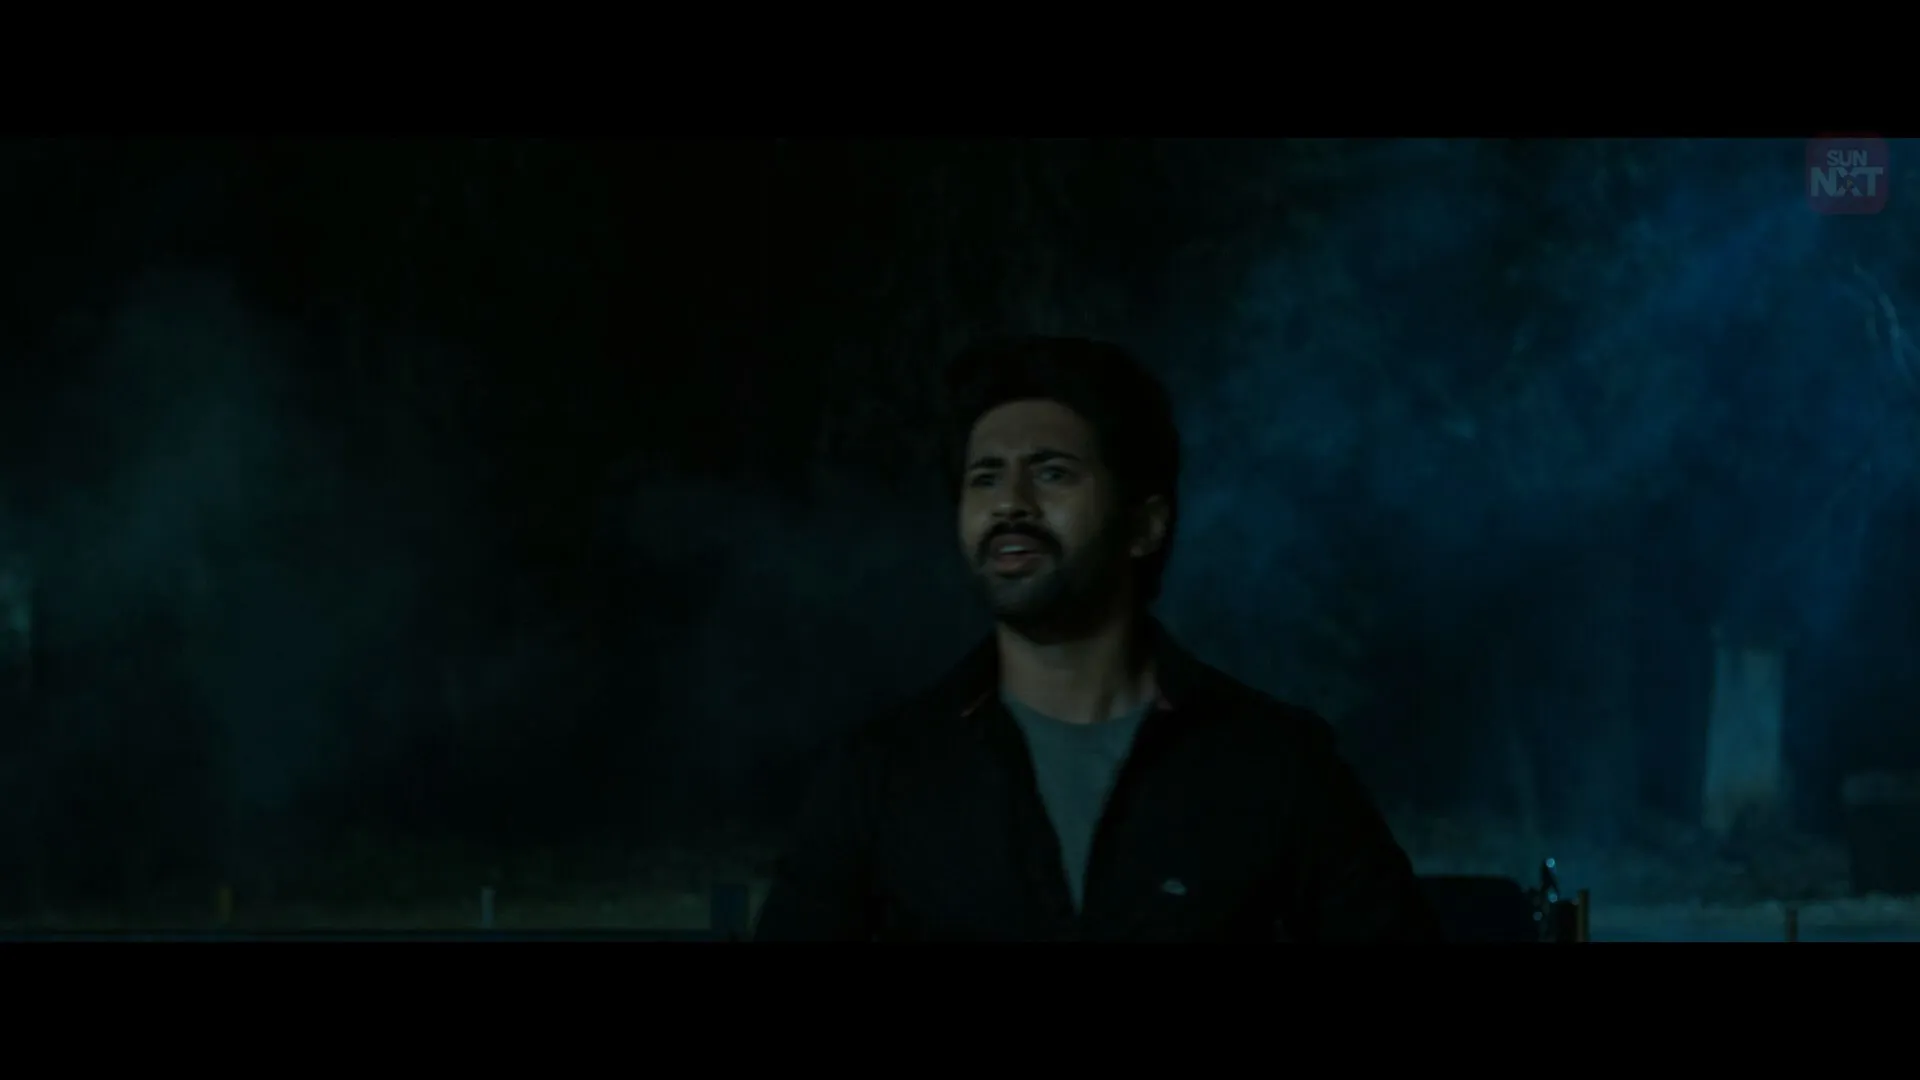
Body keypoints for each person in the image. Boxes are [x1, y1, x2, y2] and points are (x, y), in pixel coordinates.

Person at [754, 336, 1439, 942]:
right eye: (984, 477)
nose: (1010, 502)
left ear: (1144, 525)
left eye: (1051, 472)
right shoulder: (876, 778)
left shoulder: (1280, 767)